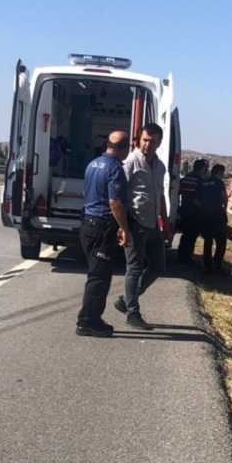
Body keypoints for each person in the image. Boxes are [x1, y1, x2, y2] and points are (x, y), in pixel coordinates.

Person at [112, 123, 168, 330]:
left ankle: (126, 301)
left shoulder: (159, 166)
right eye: (144, 140)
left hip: (153, 223)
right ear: (139, 140)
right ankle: (132, 313)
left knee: (158, 266)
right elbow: (120, 195)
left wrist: (166, 220)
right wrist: (122, 225)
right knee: (134, 268)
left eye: (152, 141)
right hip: (135, 222)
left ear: (159, 143)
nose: (147, 144)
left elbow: (160, 194)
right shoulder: (130, 162)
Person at [76, 131, 132, 337]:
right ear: (125, 149)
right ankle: (87, 321)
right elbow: (114, 202)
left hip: (88, 223)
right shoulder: (115, 168)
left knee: (96, 272)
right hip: (102, 226)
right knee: (99, 276)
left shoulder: (93, 164)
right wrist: (124, 228)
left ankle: (92, 318)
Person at [197, 163, 229, 275]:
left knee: (208, 242)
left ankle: (207, 266)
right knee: (221, 242)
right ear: (220, 173)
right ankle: (217, 266)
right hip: (217, 216)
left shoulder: (203, 182)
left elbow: (196, 200)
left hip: (205, 216)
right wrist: (224, 209)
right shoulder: (219, 183)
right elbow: (224, 196)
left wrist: (204, 208)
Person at [176, 159, 209, 266]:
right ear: (202, 168)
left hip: (183, 210)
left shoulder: (185, 178)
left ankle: (181, 255)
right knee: (192, 236)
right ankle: (187, 258)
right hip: (194, 213)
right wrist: (204, 209)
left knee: (185, 234)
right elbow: (195, 199)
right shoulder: (199, 181)